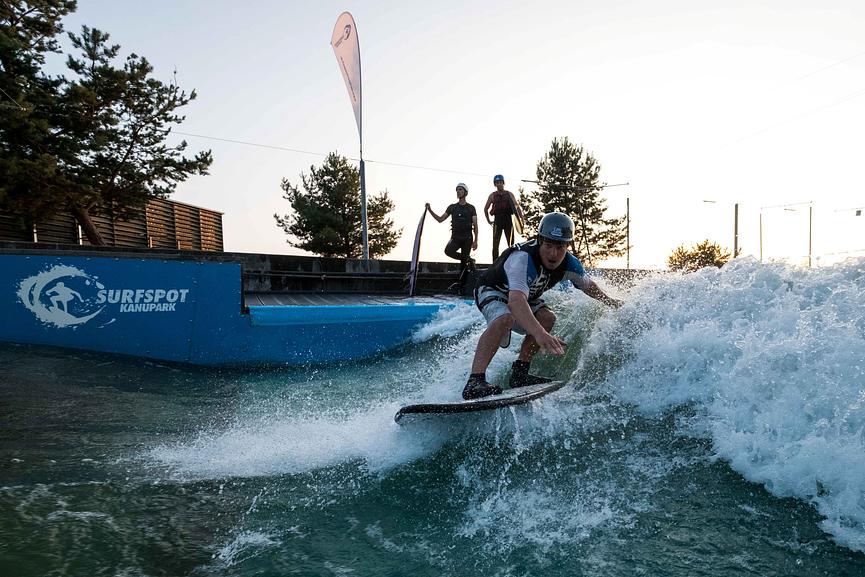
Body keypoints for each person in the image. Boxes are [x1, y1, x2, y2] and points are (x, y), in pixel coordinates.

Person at [463, 211, 622, 400]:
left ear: (567, 246)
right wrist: (539, 334)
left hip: (525, 296)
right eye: (548, 245)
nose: (553, 254)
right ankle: (475, 380)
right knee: (504, 318)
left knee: (548, 318)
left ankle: (520, 373)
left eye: (560, 247)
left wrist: (612, 302)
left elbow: (589, 287)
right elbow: (515, 302)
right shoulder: (522, 258)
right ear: (539, 240)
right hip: (492, 290)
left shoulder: (571, 264)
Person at [426, 183, 478, 289]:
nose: (458, 191)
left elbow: (476, 224)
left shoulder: (471, 208)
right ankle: (468, 259)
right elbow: (440, 219)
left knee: (463, 264)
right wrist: (430, 210)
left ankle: (462, 286)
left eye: (460, 190)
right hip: (456, 238)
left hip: (467, 238)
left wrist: (476, 240)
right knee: (448, 251)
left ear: (465, 192)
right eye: (457, 190)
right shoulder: (452, 207)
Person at [484, 174, 524, 260]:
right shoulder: (492, 195)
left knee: (511, 243)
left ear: (503, 183)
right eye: (497, 183)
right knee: (495, 244)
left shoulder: (509, 194)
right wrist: (489, 221)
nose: (499, 184)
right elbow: (485, 209)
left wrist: (521, 218)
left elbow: (516, 207)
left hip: (508, 219)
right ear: (495, 184)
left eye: (500, 182)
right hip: (497, 220)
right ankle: (494, 263)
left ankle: (511, 261)